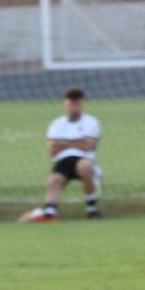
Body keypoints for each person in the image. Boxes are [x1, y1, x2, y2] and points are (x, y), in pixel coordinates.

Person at [31, 87, 101, 222]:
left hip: (84, 158)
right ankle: (50, 212)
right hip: (63, 159)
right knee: (55, 179)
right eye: (71, 102)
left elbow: (87, 146)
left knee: (84, 167)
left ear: (82, 104)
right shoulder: (57, 123)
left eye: (77, 102)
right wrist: (77, 142)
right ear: (65, 103)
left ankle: (91, 207)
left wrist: (63, 142)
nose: (74, 106)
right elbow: (52, 150)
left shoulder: (91, 122)